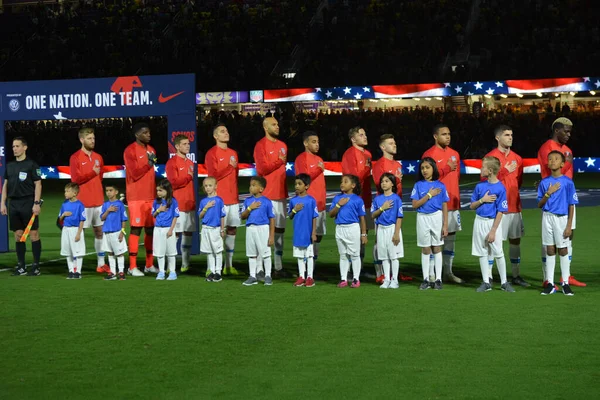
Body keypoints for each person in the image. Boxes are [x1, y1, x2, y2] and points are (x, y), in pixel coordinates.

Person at [536, 117, 585, 287]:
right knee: (549, 243)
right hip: (553, 201)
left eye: (570, 131)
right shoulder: (547, 148)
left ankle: (566, 276)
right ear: (557, 130)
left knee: (568, 235)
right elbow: (551, 173)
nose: (569, 134)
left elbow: (568, 175)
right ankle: (546, 279)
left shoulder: (568, 149)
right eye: (566, 131)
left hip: (566, 198)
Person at [484, 125, 529, 287]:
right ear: (497, 138)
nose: (510, 137)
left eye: (511, 135)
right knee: (493, 241)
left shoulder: (517, 158)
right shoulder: (490, 158)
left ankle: (516, 275)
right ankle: (488, 277)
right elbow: (485, 182)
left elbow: (519, 182)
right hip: (496, 209)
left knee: (515, 241)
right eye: (506, 135)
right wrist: (504, 171)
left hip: (514, 206)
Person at [422, 124, 462, 284]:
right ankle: (432, 273)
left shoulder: (455, 154)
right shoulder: (429, 154)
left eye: (449, 133)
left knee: (451, 237)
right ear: (435, 136)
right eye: (444, 134)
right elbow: (427, 178)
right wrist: (445, 169)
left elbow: (457, 177)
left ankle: (448, 272)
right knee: (434, 238)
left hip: (452, 202)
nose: (448, 136)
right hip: (435, 206)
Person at [470, 157, 514, 293]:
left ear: (489, 171)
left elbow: (501, 211)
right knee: (482, 252)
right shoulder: (479, 186)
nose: (481, 169)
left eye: (483, 167)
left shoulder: (500, 188)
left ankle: (504, 282)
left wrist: (493, 231)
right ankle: (486, 282)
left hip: (492, 223)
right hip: (479, 221)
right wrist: (482, 200)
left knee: (498, 253)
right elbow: (472, 206)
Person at [69, 127, 109, 275]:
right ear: (82, 140)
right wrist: (92, 173)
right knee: (80, 232)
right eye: (89, 139)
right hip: (83, 203)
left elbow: (101, 177)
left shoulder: (98, 157)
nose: (93, 141)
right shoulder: (75, 158)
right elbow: (75, 180)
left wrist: (94, 176)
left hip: (98, 201)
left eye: (93, 138)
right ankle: (76, 265)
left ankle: (101, 264)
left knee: (99, 232)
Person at [537, 151, 578, 296]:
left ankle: (565, 283)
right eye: (550, 159)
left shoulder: (567, 183)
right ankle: (550, 284)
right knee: (549, 249)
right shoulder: (544, 183)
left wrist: (568, 225)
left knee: (563, 249)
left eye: (556, 159)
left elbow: (571, 205)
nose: (552, 161)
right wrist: (548, 193)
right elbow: (540, 204)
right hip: (547, 217)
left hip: (561, 218)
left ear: (562, 164)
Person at [1, 137, 43, 276]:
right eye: (13, 146)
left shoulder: (31, 164)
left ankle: (36, 266)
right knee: (18, 235)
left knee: (33, 234)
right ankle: (21, 266)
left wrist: (36, 203)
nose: (14, 149)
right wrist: (3, 203)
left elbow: (38, 184)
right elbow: (5, 185)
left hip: (28, 202)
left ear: (25, 147)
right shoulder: (10, 166)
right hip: (14, 204)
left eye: (17, 146)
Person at [253, 117, 288, 277]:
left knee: (280, 230)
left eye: (278, 124)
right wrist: (278, 162)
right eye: (274, 124)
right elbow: (262, 169)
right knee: (264, 232)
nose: (277, 126)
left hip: (280, 195)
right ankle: (260, 268)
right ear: (265, 127)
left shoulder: (282, 146)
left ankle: (278, 267)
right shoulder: (260, 145)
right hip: (266, 196)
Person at [341, 127, 377, 279]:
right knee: (353, 235)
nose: (365, 136)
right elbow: (353, 180)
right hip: (354, 201)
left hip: (366, 199)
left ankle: (359, 269)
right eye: (361, 135)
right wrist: (367, 169)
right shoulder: (350, 154)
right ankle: (349, 271)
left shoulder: (367, 154)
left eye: (365, 134)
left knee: (363, 234)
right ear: (353, 139)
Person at [205, 124, 240, 275]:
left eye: (227, 130)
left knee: (232, 230)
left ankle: (228, 266)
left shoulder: (233, 153)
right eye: (222, 131)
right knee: (215, 233)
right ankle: (210, 267)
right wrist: (229, 168)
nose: (226, 133)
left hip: (233, 199)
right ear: (215, 136)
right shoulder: (211, 153)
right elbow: (213, 177)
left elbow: (235, 175)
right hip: (219, 200)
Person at [123, 122, 157, 277]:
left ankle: (149, 264)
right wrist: (148, 164)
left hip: (151, 196)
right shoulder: (130, 150)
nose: (148, 135)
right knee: (136, 228)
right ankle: (132, 266)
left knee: (150, 229)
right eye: (145, 132)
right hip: (136, 196)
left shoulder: (152, 150)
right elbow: (135, 173)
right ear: (137, 134)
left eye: (149, 132)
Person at [411, 157, 448, 290]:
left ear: (433, 168)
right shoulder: (418, 185)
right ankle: (426, 279)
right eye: (422, 168)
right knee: (425, 248)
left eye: (427, 167)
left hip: (437, 218)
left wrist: (445, 225)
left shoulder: (441, 185)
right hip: (422, 218)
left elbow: (444, 206)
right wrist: (429, 195)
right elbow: (415, 204)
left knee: (437, 247)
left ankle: (438, 279)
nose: (425, 170)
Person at [329, 174, 368, 289]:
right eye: (341, 181)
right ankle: (343, 279)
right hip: (340, 229)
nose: (342, 184)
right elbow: (331, 214)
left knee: (355, 255)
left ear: (353, 185)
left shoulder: (358, 200)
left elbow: (362, 218)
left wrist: (364, 234)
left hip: (352, 228)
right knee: (343, 255)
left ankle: (356, 279)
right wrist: (338, 205)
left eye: (345, 181)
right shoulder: (337, 198)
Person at [294, 131, 326, 266]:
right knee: (308, 234)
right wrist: (318, 170)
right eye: (313, 142)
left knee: (319, 234)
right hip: (307, 203)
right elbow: (303, 179)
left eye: (318, 142)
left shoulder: (319, 159)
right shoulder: (301, 159)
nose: (317, 145)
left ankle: (313, 261)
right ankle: (305, 265)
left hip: (320, 203)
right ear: (305, 143)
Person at [165, 134, 196, 273]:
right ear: (177, 146)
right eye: (184, 144)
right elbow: (173, 183)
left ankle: (185, 264)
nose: (187, 146)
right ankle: (169, 265)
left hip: (190, 203)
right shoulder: (172, 163)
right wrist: (188, 177)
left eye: (188, 143)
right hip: (178, 204)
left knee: (188, 233)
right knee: (175, 235)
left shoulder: (190, 162)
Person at [371, 173, 404, 289]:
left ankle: (395, 280)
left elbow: (399, 217)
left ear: (392, 183)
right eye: (382, 181)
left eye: (386, 181)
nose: (383, 183)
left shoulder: (396, 198)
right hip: (381, 229)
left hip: (392, 228)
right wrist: (382, 208)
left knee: (393, 256)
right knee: (384, 256)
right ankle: (386, 279)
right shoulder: (377, 199)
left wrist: (396, 233)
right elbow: (372, 215)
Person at [240, 176, 275, 286]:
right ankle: (252, 276)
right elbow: (242, 216)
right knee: (252, 254)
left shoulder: (267, 202)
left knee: (265, 253)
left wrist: (271, 236)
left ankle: (268, 275)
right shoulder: (247, 201)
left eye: (254, 185)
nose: (251, 187)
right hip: (250, 229)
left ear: (261, 189)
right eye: (250, 185)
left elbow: (272, 218)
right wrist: (250, 208)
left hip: (263, 229)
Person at [289, 174, 318, 288]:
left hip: (308, 232)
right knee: (299, 255)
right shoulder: (293, 201)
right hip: (298, 232)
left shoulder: (311, 200)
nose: (296, 186)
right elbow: (290, 216)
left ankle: (310, 277)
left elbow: (314, 217)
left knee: (309, 255)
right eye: (295, 184)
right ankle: (301, 276)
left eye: (299, 184)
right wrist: (294, 210)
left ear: (306, 186)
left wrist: (314, 232)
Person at [198, 177, 226, 282]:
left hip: (215, 228)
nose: (208, 188)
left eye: (210, 185)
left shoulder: (219, 200)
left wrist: (222, 229)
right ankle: (212, 271)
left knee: (217, 251)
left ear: (215, 186)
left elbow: (222, 215)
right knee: (209, 252)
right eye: (206, 186)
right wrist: (206, 207)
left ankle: (218, 272)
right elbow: (200, 215)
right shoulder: (203, 201)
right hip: (205, 229)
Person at [152, 179, 180, 281]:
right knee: (159, 252)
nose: (158, 193)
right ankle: (161, 272)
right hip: (158, 229)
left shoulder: (173, 201)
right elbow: (154, 215)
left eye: (160, 190)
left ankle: (172, 272)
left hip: (168, 229)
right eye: (157, 190)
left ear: (167, 190)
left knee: (171, 252)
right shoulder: (156, 202)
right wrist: (159, 210)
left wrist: (171, 230)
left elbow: (175, 216)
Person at [100, 184, 128, 281]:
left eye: (110, 190)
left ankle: (121, 272)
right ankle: (112, 272)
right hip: (107, 232)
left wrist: (122, 232)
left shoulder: (120, 204)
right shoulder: (105, 205)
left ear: (116, 192)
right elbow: (102, 218)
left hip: (117, 232)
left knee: (119, 253)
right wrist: (107, 211)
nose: (108, 192)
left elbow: (123, 219)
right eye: (107, 190)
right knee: (110, 253)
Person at [58, 183, 86, 279]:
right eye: (65, 191)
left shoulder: (80, 205)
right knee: (67, 251)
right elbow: (60, 220)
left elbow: (82, 220)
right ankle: (70, 270)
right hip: (66, 230)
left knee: (78, 251)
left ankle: (78, 271)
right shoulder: (64, 204)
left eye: (67, 191)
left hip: (76, 229)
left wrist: (79, 233)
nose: (65, 193)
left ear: (74, 193)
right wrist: (63, 215)